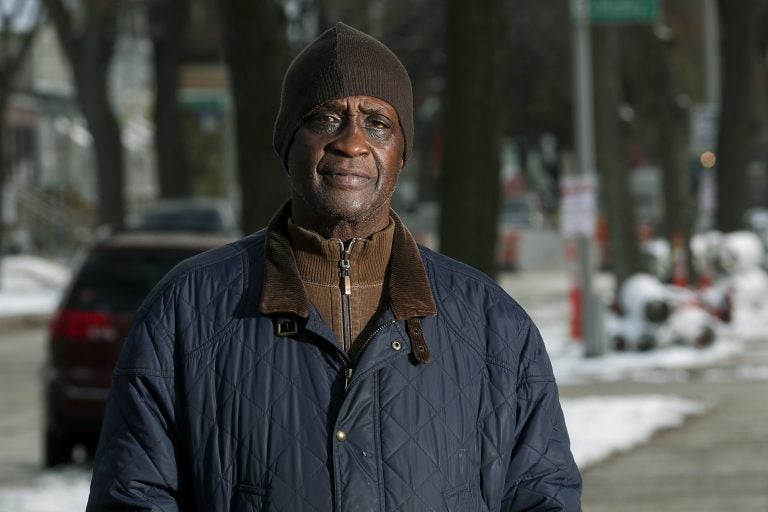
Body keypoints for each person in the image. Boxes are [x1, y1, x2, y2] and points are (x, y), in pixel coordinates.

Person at [87, 22, 582, 511]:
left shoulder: (494, 324)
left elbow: (542, 497)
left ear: (401, 150)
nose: (351, 142)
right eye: (326, 118)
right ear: (288, 142)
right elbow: (133, 497)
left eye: (377, 123)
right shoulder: (187, 311)